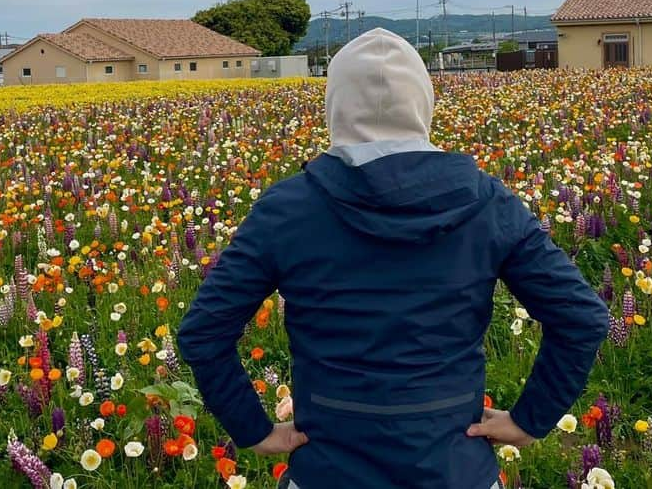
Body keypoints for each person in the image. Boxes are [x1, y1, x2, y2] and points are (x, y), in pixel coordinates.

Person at [178, 28, 610, 488]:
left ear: (336, 106)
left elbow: (204, 332)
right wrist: (530, 418)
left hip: (328, 471)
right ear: (422, 102)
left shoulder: (288, 209)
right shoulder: (487, 202)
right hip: (456, 471)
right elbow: (581, 318)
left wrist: (254, 429)